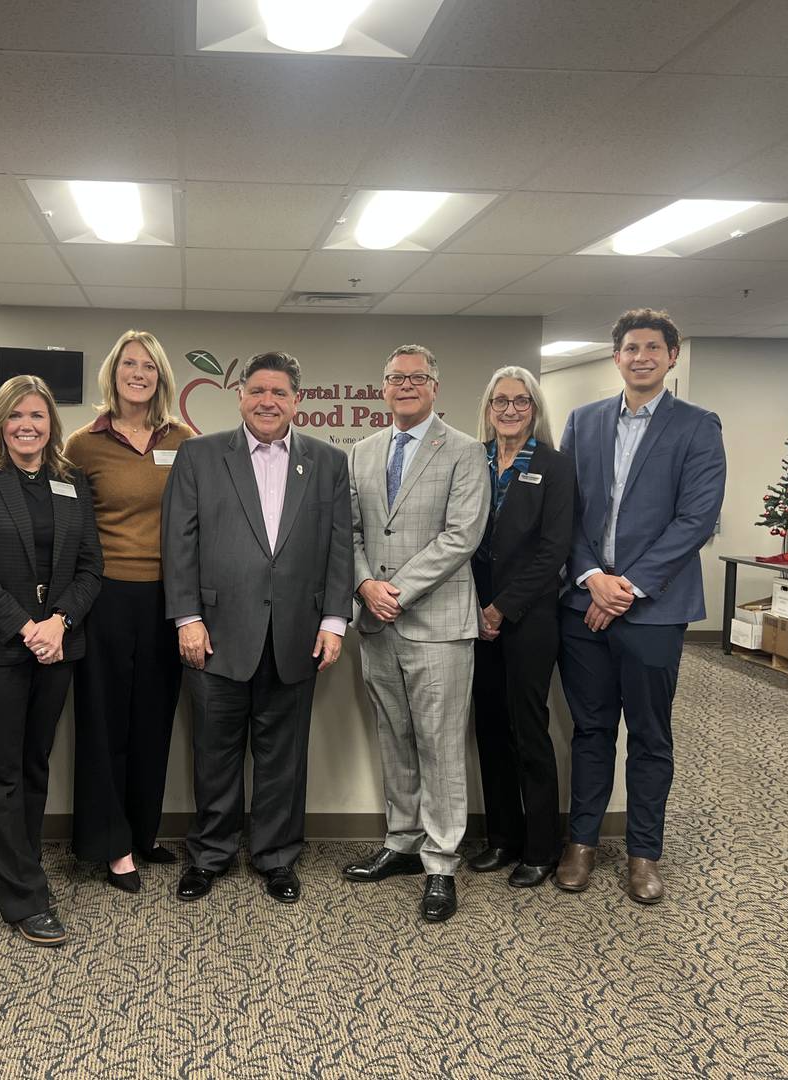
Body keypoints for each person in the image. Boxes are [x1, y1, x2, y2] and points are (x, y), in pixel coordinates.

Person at [161, 351, 353, 905]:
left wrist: (335, 621)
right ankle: (211, 854)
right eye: (257, 391)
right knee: (215, 751)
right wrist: (188, 618)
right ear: (240, 395)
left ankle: (275, 856)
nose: (268, 401)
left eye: (280, 392)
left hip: (297, 634)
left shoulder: (326, 462)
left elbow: (340, 546)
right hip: (215, 633)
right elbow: (179, 542)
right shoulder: (199, 455)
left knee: (283, 757)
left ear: (297, 400)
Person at [555, 309, 725, 905]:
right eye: (631, 347)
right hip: (583, 607)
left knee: (650, 736)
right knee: (591, 729)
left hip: (653, 610)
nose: (642, 356)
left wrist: (625, 587)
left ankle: (643, 853)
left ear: (672, 356)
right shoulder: (584, 421)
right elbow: (566, 512)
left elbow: (695, 519)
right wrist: (592, 577)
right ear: (616, 357)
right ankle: (581, 842)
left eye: (654, 347)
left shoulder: (698, 426)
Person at [0, 375, 102, 947]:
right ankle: (21, 898)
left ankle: (24, 866)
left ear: (51, 424)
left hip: (57, 645)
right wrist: (26, 626)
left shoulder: (71, 480)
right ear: (0, 422)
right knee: (1, 772)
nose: (27, 426)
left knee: (36, 764)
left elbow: (90, 567)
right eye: (16, 416)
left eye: (37, 416)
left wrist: (59, 622)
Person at [341, 345, 489, 923]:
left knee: (441, 745)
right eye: (395, 378)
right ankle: (402, 842)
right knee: (394, 737)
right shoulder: (364, 451)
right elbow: (349, 532)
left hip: (436, 626)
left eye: (416, 378)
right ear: (383, 386)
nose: (405, 385)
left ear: (435, 386)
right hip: (376, 624)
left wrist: (392, 590)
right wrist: (363, 588)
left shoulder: (464, 450)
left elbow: (462, 536)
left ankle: (441, 862)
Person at [65, 330, 195, 893]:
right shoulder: (82, 444)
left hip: (168, 599)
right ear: (113, 373)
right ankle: (110, 844)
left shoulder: (184, 439)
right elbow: (65, 527)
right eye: (128, 364)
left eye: (149, 365)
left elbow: (198, 520)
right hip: (105, 595)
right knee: (104, 722)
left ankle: (143, 833)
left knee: (153, 720)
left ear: (161, 376)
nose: (138, 373)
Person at [467, 366, 574, 889]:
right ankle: (503, 837)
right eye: (500, 401)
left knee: (528, 727)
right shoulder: (473, 461)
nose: (510, 410)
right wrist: (477, 607)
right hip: (472, 613)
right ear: (488, 408)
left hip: (529, 615)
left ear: (535, 408)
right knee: (488, 725)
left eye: (521, 402)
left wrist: (502, 607)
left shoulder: (554, 467)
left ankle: (541, 847)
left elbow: (554, 550)